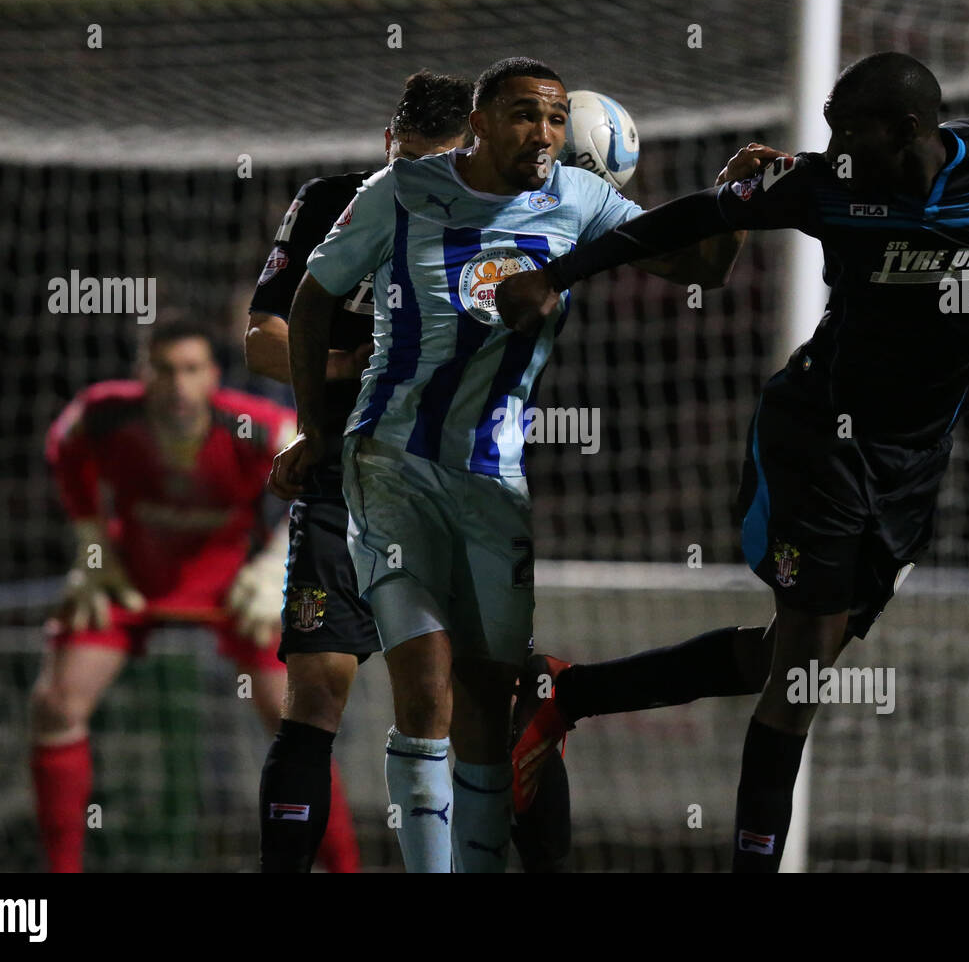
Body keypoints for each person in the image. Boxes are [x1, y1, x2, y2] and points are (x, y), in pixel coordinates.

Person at [499, 51, 969, 872]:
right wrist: (556, 276)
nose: (833, 143)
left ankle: (568, 694)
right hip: (822, 438)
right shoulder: (828, 184)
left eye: (850, 130)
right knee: (804, 674)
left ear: (909, 132)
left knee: (792, 656)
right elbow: (689, 218)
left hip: (916, 460)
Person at [268, 56, 743, 872]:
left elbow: (699, 264)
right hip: (390, 464)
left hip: (493, 480)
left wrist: (736, 199)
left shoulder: (580, 199)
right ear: (481, 125)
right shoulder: (399, 192)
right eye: (527, 116)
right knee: (423, 691)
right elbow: (308, 300)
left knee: (490, 705)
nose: (546, 133)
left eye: (557, 119)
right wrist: (315, 424)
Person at [31, 318, 359, 872]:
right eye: (164, 370)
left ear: (213, 376)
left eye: (191, 370)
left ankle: (346, 870)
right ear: (143, 373)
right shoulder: (105, 414)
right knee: (55, 704)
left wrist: (275, 564)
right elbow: (63, 446)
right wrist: (91, 545)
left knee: (303, 724)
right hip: (132, 582)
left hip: (236, 589)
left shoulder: (254, 427)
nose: (178, 385)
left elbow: (324, 467)